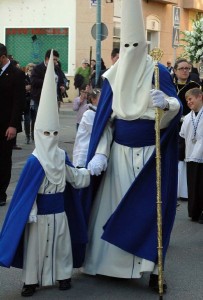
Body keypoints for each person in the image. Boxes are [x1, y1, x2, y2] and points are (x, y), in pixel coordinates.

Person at [81, 0, 181, 293]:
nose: (131, 51)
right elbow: (105, 122)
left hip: (152, 153)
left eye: (136, 45)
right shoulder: (113, 76)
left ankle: (152, 270)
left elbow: (174, 104)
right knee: (114, 208)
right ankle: (108, 265)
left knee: (150, 210)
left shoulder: (159, 72)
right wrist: (99, 154)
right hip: (119, 153)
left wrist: (169, 105)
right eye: (126, 46)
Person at [0, 50, 90, 297]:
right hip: (38, 214)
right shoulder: (34, 161)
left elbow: (74, 177)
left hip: (59, 211)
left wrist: (90, 171)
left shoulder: (61, 156)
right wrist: (30, 212)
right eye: (45, 134)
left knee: (61, 245)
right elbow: (24, 194)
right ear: (39, 134)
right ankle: (31, 280)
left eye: (54, 134)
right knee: (35, 248)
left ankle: (62, 276)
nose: (50, 139)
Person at [0, 43, 25, 206]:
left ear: (3, 57)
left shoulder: (16, 74)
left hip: (6, 126)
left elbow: (19, 101)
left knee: (3, 159)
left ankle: (1, 193)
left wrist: (13, 125)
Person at [173, 58, 201, 201]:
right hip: (172, 124)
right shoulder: (170, 85)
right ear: (175, 70)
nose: (185, 71)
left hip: (189, 123)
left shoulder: (194, 85)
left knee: (185, 152)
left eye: (187, 68)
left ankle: (185, 190)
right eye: (182, 68)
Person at [179, 88, 203, 223]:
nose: (188, 102)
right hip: (191, 155)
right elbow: (182, 137)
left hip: (202, 154)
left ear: (199, 96)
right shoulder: (188, 117)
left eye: (190, 99)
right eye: (187, 100)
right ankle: (194, 212)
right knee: (193, 185)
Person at [30, 49, 66, 115]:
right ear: (47, 59)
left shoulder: (57, 68)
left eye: (56, 60)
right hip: (40, 100)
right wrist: (47, 82)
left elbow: (62, 79)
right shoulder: (37, 68)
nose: (55, 62)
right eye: (54, 59)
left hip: (54, 100)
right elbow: (33, 81)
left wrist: (63, 86)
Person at [72, 88, 101, 168]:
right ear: (93, 100)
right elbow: (96, 132)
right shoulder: (89, 114)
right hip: (83, 153)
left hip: (91, 152)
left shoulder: (97, 113)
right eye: (101, 98)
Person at [24, 63, 36, 144]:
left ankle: (33, 135)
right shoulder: (24, 78)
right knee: (27, 119)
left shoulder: (35, 78)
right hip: (27, 101)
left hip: (34, 100)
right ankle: (27, 136)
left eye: (32, 70)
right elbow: (23, 88)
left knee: (34, 119)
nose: (30, 71)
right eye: (29, 70)